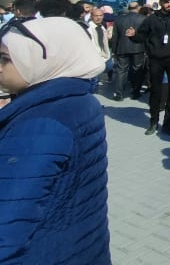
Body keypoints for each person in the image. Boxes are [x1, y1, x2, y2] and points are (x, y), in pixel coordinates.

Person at [0, 17, 110, 263]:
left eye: (5, 59)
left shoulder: (40, 125)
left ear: (42, 60)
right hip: (78, 246)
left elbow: (7, 225)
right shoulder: (79, 99)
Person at [127, 0, 170, 136]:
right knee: (156, 91)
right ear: (161, 2)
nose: (169, 4)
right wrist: (133, 36)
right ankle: (153, 121)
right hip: (156, 59)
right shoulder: (151, 19)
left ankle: (168, 121)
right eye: (167, 2)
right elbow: (141, 36)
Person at [109, 1, 146, 100]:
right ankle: (135, 92)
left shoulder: (119, 19)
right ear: (138, 8)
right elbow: (146, 35)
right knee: (137, 70)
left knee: (121, 71)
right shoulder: (143, 19)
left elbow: (115, 36)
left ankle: (119, 93)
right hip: (138, 48)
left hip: (122, 48)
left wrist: (114, 50)